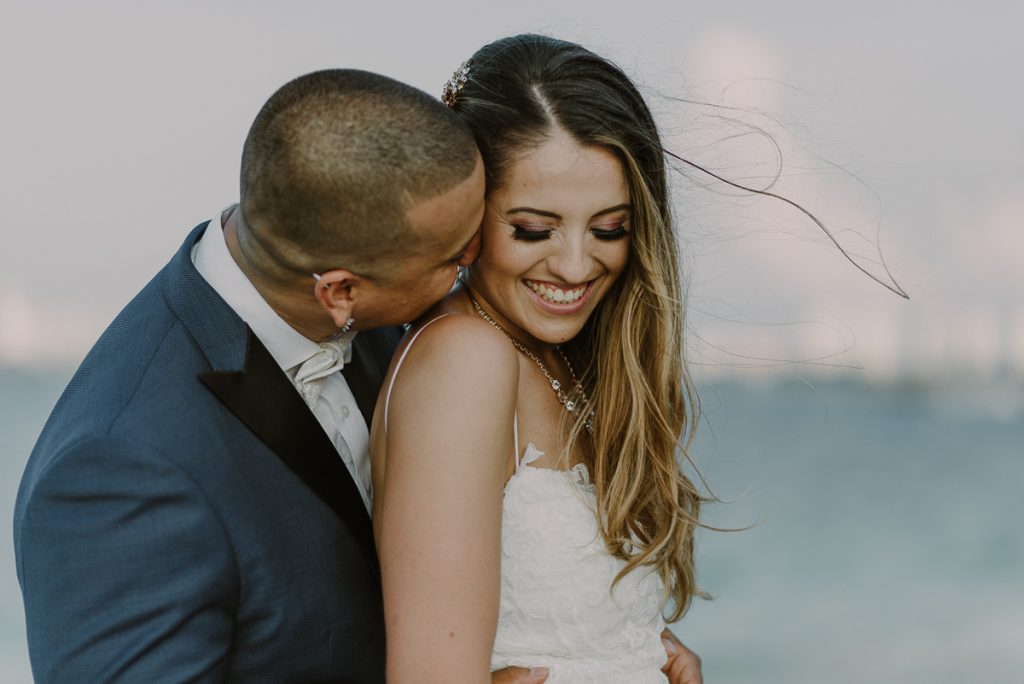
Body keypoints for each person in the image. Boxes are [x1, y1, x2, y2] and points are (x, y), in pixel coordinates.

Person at [12, 68, 548, 683]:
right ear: (339, 292)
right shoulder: (119, 474)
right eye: (455, 255)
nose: (478, 259)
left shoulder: (374, 291)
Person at [371, 35, 705, 683]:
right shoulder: (465, 360)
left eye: (609, 228)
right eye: (534, 230)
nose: (576, 266)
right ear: (470, 217)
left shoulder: (561, 358)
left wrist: (636, 649)